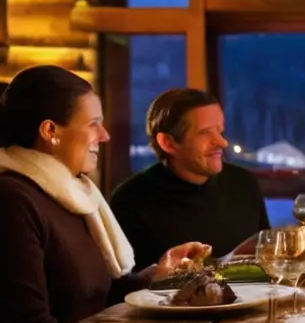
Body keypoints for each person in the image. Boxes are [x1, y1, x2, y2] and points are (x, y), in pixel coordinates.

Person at [0, 65, 209, 323]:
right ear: (50, 131)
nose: (104, 136)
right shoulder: (4, 203)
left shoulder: (70, 194)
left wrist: (156, 276)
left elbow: (93, 299)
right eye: (93, 124)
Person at [109, 88, 270, 271]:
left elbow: (268, 261)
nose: (222, 142)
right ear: (168, 143)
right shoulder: (129, 201)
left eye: (220, 130)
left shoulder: (244, 183)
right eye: (205, 133)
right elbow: (122, 287)